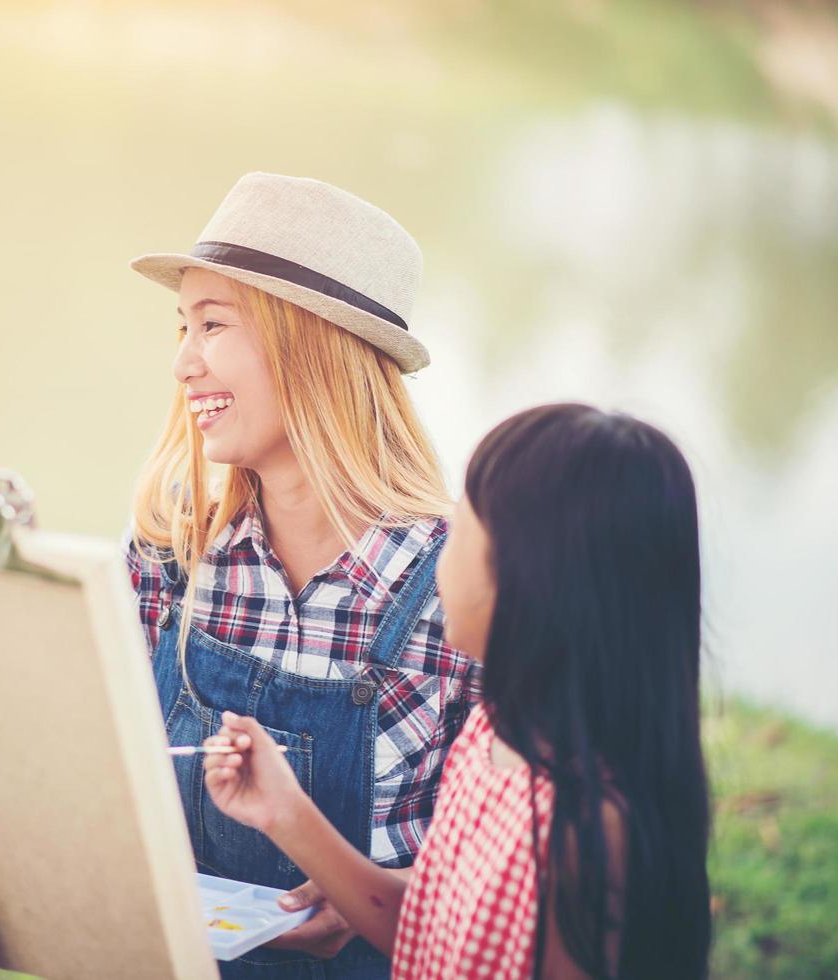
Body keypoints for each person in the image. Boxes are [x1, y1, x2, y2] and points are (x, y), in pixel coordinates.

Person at [203, 403, 713, 979]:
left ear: (531, 575)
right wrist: (285, 813)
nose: (438, 559)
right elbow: (430, 929)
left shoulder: (581, 832)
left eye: (462, 531)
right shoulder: (495, 730)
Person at [126, 173, 480, 978]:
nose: (183, 363)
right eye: (181, 328)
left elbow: (490, 893)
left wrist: (370, 897)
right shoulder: (167, 550)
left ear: (310, 344)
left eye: (211, 326)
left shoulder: (460, 585)